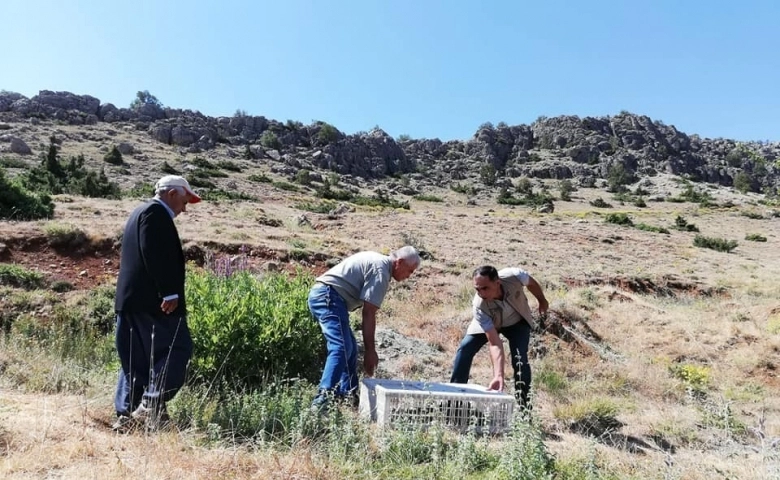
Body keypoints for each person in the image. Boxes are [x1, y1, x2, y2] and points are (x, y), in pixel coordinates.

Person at [112, 175, 201, 431]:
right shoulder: (155, 213)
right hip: (155, 304)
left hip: (130, 302)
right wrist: (169, 291)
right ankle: (150, 405)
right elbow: (153, 252)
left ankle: (128, 417)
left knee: (136, 361)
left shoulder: (138, 212)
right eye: (185, 201)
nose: (185, 208)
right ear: (172, 193)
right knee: (177, 349)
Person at [309, 246, 421, 410]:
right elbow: (368, 313)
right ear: (400, 262)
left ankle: (348, 397)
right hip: (328, 297)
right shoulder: (381, 271)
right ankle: (321, 402)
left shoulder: (380, 264)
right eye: (409, 271)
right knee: (341, 348)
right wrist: (370, 351)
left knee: (350, 349)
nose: (409, 276)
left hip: (330, 298)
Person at [450, 265, 549, 408]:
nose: (481, 293)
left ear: (497, 283)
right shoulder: (479, 305)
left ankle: (524, 411)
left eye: (485, 288)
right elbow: (495, 343)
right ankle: (454, 404)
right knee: (465, 348)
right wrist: (498, 375)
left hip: (517, 320)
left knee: (520, 358)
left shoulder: (515, 276)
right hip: (491, 321)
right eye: (477, 289)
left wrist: (542, 300)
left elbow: (532, 283)